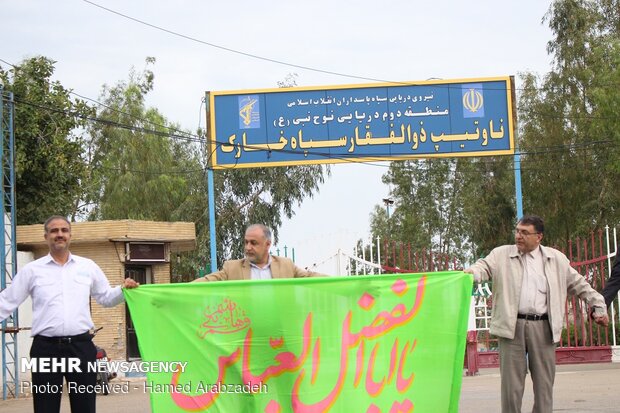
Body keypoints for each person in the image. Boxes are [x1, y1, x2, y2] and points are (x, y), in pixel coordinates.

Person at [464, 214, 608, 413]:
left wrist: (599, 305)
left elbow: (580, 285)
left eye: (525, 232)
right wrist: (471, 274)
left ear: (539, 237)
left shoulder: (556, 259)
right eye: (517, 231)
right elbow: (483, 267)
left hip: (544, 327)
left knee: (544, 386)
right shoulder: (501, 255)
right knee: (511, 388)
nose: (518, 236)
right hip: (511, 327)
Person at [0, 215, 139, 413]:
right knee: (45, 408)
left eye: (64, 230)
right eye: (54, 231)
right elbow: (7, 301)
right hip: (45, 350)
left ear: (70, 235)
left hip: (81, 348)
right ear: (46, 236)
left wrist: (124, 290)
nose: (60, 234)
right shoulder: (32, 271)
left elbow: (106, 297)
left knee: (85, 408)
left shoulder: (87, 267)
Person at [193, 224, 319, 281]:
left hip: (278, 332)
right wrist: (174, 291)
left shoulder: (286, 265)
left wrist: (339, 284)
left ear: (268, 244)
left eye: (253, 243)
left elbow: (311, 277)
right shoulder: (231, 269)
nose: (248, 247)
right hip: (246, 330)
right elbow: (207, 281)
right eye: (246, 242)